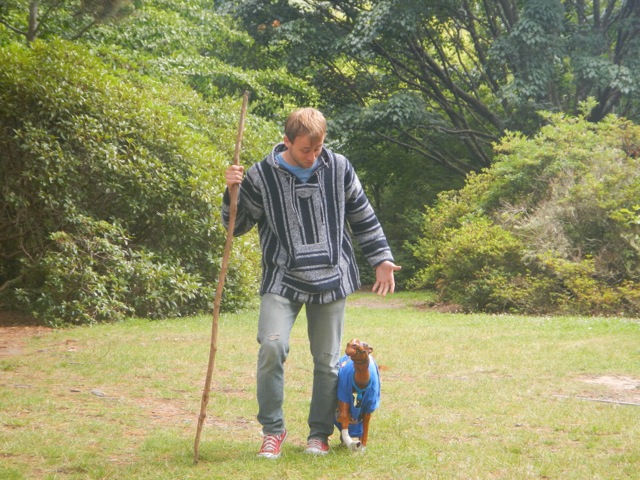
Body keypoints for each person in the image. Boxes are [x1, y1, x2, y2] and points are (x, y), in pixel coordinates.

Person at [222, 107, 400, 459]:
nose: (313, 156)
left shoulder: (338, 167)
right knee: (272, 347)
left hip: (332, 278)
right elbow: (236, 226)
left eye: (318, 149)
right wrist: (232, 192)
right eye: (305, 149)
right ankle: (273, 431)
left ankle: (318, 434)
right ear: (287, 141)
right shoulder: (261, 176)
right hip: (282, 277)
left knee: (327, 360)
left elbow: (363, 214)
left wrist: (381, 259)